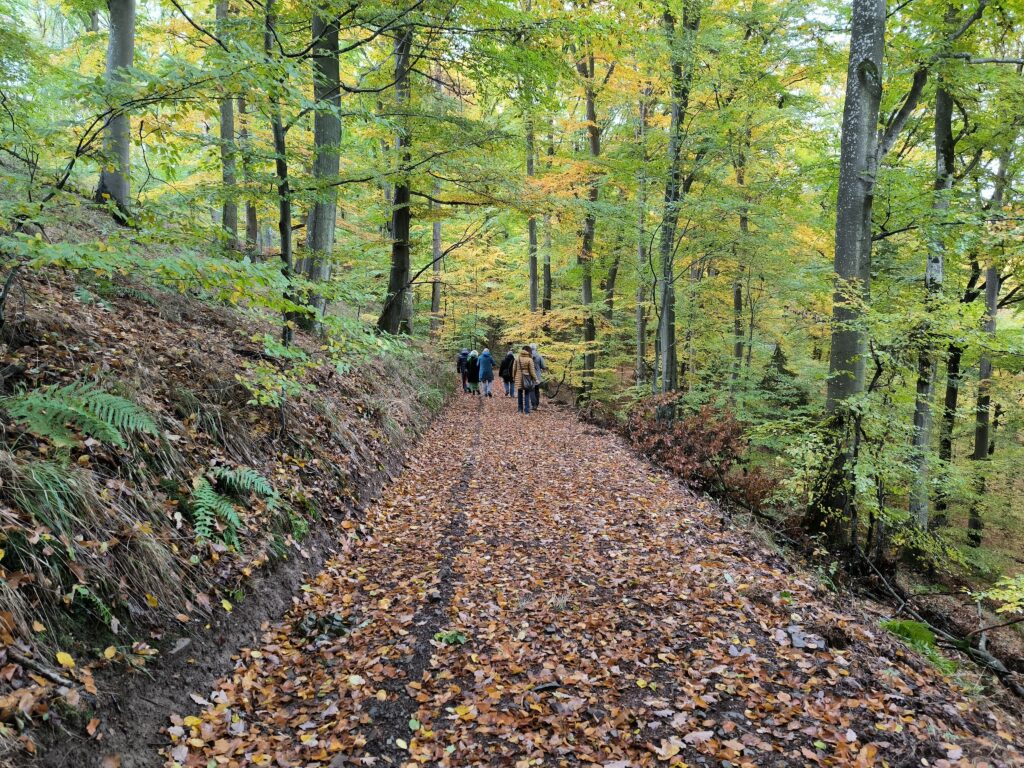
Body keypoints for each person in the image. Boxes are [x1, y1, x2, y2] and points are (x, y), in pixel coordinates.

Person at [512, 345, 538, 414]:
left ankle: (520, 410)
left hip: (518, 378)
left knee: (519, 393)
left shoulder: (517, 358)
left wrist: (513, 377)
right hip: (527, 378)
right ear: (529, 351)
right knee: (527, 394)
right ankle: (527, 411)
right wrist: (536, 379)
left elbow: (514, 369)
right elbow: (532, 371)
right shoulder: (530, 359)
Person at [530, 343, 546, 409]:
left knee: (531, 390)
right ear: (536, 348)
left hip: (530, 375)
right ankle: (536, 404)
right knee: (537, 390)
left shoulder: (528, 356)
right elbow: (543, 366)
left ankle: (533, 404)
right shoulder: (539, 356)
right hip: (538, 376)